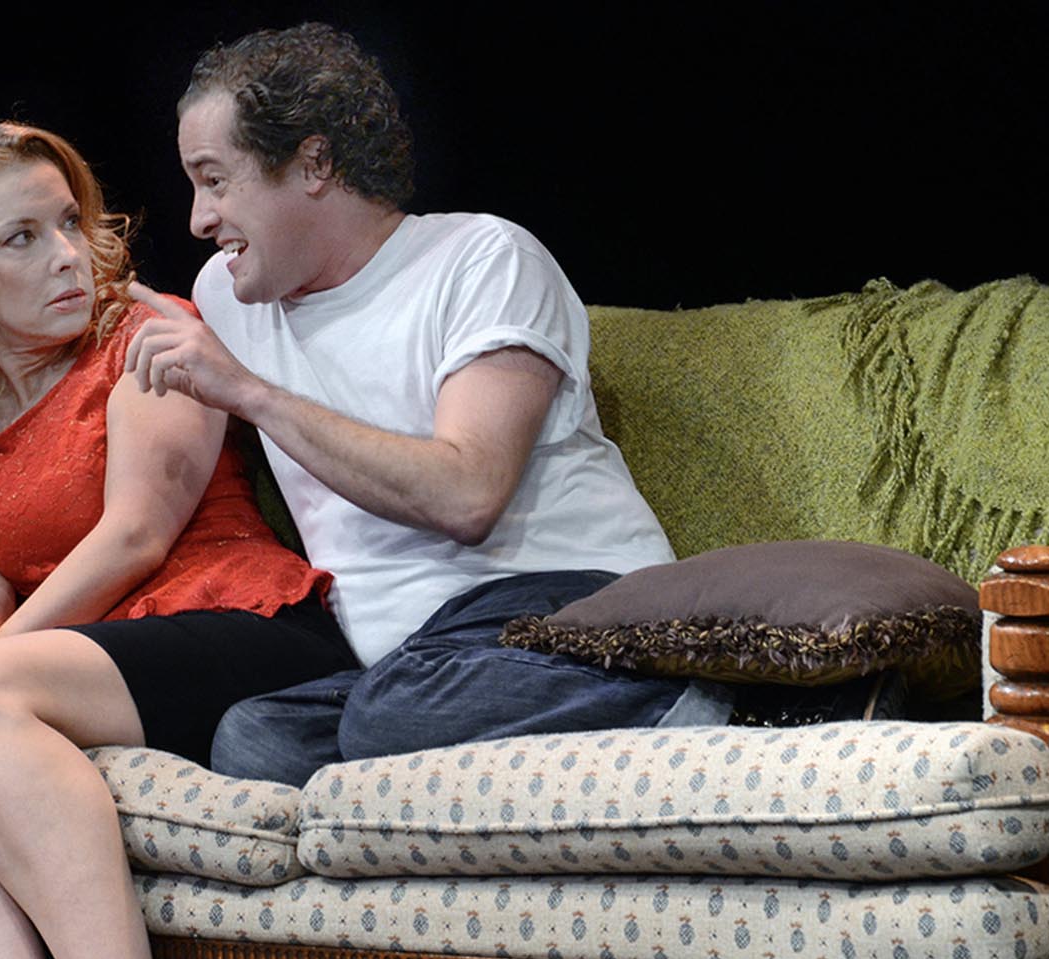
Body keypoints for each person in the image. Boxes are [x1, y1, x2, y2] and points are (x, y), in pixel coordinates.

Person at [0, 121, 357, 959]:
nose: (67, 256)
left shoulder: (149, 335)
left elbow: (136, 536)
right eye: (22, 238)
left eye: (68, 223)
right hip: (78, 654)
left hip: (240, 624)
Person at [125, 23, 733, 789]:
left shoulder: (482, 260)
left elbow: (467, 495)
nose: (198, 219)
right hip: (411, 663)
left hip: (569, 604)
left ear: (314, 163)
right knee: (257, 740)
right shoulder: (226, 296)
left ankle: (713, 695)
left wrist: (250, 393)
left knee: (392, 717)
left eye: (215, 180)